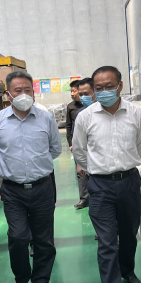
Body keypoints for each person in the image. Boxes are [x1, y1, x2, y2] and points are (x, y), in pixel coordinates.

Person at [72, 66, 141, 283]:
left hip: (129, 182)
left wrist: (124, 165)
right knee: (106, 242)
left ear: (120, 86)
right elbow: (79, 150)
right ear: (94, 91)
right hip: (100, 186)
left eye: (109, 86)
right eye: (99, 88)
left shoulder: (135, 114)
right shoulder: (86, 117)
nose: (104, 91)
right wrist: (96, 170)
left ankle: (128, 271)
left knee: (129, 234)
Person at [0, 71, 62, 283]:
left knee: (44, 239)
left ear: (33, 92)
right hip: (13, 190)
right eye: (17, 90)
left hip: (42, 187)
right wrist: (12, 167)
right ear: (8, 94)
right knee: (18, 237)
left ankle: (41, 281)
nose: (23, 94)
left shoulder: (46, 118)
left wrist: (36, 165)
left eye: (27, 90)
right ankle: (21, 280)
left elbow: (55, 149)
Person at [65, 79, 88, 209]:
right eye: (71, 91)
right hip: (77, 144)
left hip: (90, 144)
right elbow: (69, 127)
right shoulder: (71, 107)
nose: (72, 94)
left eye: (74, 91)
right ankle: (84, 198)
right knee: (80, 172)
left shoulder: (90, 106)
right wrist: (71, 143)